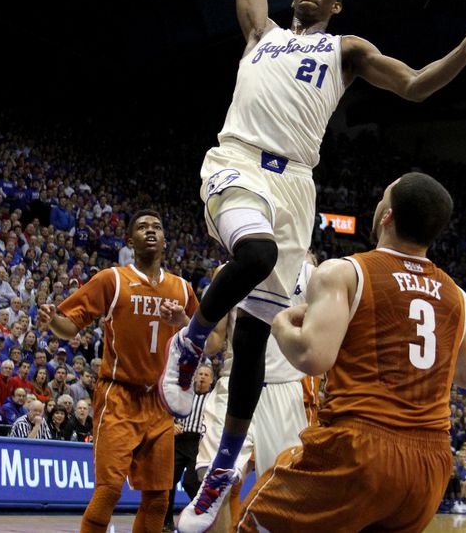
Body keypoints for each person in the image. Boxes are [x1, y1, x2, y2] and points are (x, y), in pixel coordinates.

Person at [159, 0, 466, 527]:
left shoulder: (345, 50)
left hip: (297, 183)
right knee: (254, 253)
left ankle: (221, 468)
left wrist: (463, 51)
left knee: (253, 339)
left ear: (337, 7)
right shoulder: (262, 35)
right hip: (238, 161)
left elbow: (412, 85)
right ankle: (191, 341)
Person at [230, 172, 466, 533]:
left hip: (360, 449)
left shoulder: (345, 271)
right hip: (429, 466)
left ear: (386, 216)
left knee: (250, 525)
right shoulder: (456, 295)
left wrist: (279, 324)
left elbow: (312, 357)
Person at [38, 210, 199, 533]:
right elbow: (70, 326)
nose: (150, 231)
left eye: (156, 226)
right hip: (118, 395)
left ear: (165, 240)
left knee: (158, 498)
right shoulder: (112, 279)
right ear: (130, 241)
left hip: (159, 402)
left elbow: (204, 340)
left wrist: (183, 322)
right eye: (142, 227)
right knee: (108, 491)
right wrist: (53, 320)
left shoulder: (182, 289)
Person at [179, 260, 315, 533]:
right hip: (235, 382)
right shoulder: (229, 269)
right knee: (213, 481)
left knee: (288, 498)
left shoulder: (311, 273)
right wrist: (186, 326)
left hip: (285, 388)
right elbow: (216, 339)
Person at [164, 364, 214, 533]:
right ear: (194, 377)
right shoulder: (185, 394)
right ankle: (167, 521)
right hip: (179, 440)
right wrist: (171, 424)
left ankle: (204, 514)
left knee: (191, 482)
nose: (202, 377)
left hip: (199, 444)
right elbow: (168, 410)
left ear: (211, 380)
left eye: (206, 374)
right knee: (168, 482)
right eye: (200, 373)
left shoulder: (213, 399)